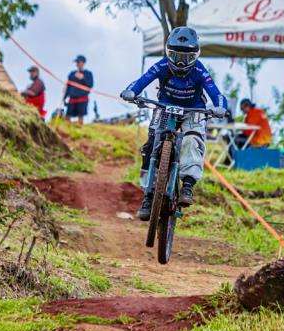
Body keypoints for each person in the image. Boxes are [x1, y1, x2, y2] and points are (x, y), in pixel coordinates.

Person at [120, 27, 227, 219]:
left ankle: (187, 186)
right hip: (164, 106)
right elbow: (142, 81)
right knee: (151, 144)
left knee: (192, 140)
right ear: (168, 53)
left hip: (193, 109)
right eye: (175, 55)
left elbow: (216, 93)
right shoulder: (161, 65)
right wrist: (131, 92)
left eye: (186, 58)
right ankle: (148, 195)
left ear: (195, 56)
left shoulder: (200, 70)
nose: (180, 62)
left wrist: (220, 107)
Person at [63, 55, 94, 125]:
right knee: (68, 116)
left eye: (78, 62)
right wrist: (64, 98)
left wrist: (83, 78)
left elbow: (90, 85)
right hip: (72, 97)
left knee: (80, 117)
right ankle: (68, 129)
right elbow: (68, 86)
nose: (77, 63)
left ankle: (79, 129)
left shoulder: (88, 74)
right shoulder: (72, 74)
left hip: (82, 98)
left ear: (83, 62)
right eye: (76, 62)